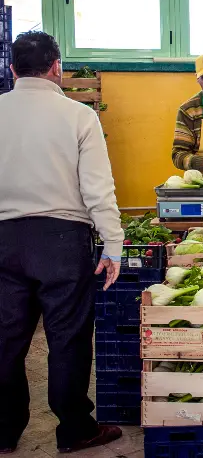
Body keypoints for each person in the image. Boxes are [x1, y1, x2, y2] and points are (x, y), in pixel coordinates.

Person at [0, 32, 124, 453]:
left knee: (4, 339)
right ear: (57, 68)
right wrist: (113, 246)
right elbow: (97, 189)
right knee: (67, 338)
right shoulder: (78, 116)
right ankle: (74, 429)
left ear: (13, 69)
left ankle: (3, 431)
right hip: (61, 240)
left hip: (2, 240)